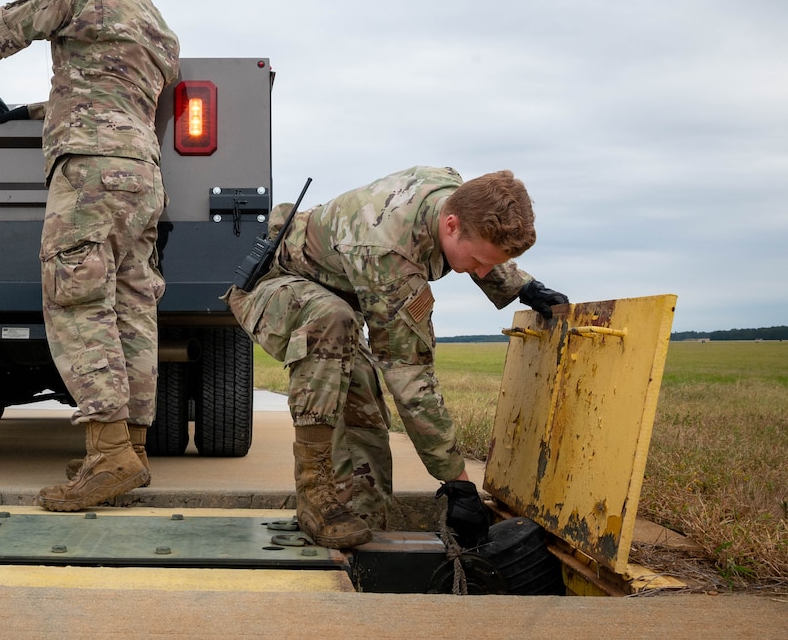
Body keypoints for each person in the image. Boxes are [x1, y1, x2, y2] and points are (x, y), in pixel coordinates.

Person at [0, 0, 180, 511]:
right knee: (133, 308)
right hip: (144, 179)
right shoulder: (161, 30)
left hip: (88, 175)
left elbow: (3, 25)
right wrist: (27, 113)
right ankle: (130, 448)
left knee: (78, 302)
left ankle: (106, 457)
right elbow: (114, 96)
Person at [223, 166, 568, 549]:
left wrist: (522, 286)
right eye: (477, 262)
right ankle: (316, 498)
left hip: (334, 290)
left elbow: (479, 236)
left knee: (363, 401)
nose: (482, 271)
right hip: (274, 285)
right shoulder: (388, 255)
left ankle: (365, 519)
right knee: (332, 322)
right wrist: (456, 480)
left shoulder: (454, 191)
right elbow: (410, 376)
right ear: (450, 225)